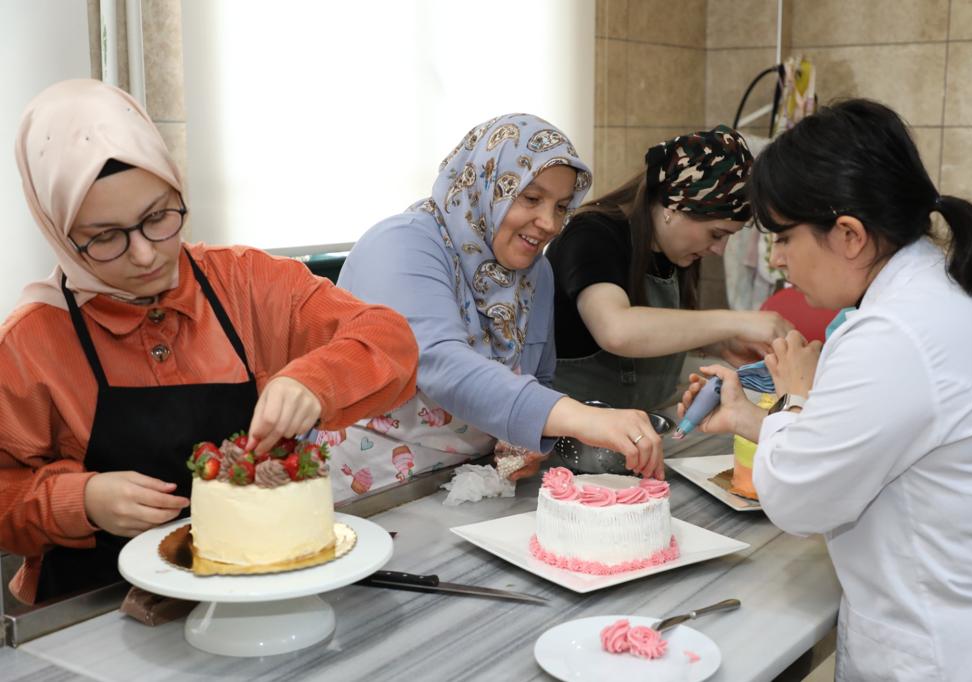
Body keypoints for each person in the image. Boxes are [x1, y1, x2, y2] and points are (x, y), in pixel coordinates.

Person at [0, 79, 418, 604]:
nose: (146, 255)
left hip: (259, 592)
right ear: (60, 232)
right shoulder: (29, 344)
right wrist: (76, 500)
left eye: (158, 217)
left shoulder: (246, 283)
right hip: (91, 611)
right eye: (105, 237)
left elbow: (390, 339)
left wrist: (315, 381)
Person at [681, 99, 972, 680]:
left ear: (848, 235)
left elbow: (798, 503)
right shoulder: (937, 291)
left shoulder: (892, 335)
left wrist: (794, 393)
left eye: (783, 237)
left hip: (939, 648)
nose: (779, 259)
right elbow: (868, 443)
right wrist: (752, 419)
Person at [333, 114, 663, 498]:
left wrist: (520, 439)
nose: (550, 223)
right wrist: (581, 417)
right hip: (367, 491)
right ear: (485, 185)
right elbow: (441, 363)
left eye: (561, 206)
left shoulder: (536, 272)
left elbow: (537, 377)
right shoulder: (400, 245)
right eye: (531, 198)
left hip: (465, 487)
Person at [545, 125, 792, 411]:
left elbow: (657, 329)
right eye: (716, 234)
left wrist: (721, 343)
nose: (718, 250)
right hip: (576, 429)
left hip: (645, 416)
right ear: (672, 208)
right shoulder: (592, 235)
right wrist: (737, 322)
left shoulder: (676, 254)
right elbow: (616, 329)